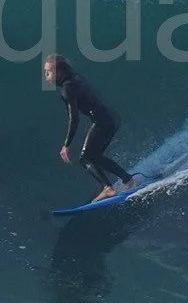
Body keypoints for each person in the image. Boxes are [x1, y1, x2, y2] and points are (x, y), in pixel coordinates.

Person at [46, 54, 137, 197]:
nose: (46, 75)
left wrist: (66, 145)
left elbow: (74, 119)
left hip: (102, 121)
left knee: (85, 158)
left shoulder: (67, 89)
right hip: (112, 117)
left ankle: (108, 188)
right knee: (95, 156)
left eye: (49, 71)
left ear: (59, 72)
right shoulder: (76, 78)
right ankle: (129, 181)